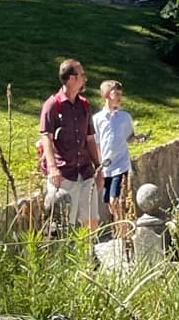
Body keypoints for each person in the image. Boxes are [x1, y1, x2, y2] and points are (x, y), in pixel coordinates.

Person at [39, 58, 103, 232]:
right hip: (64, 175)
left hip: (85, 172)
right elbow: (46, 138)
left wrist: (98, 169)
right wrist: (53, 168)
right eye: (82, 74)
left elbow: (89, 139)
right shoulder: (52, 105)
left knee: (91, 222)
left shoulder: (84, 105)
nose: (85, 78)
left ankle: (89, 256)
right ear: (71, 79)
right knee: (64, 225)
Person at [92, 79, 144, 229]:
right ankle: (120, 226)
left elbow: (129, 137)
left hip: (121, 164)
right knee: (109, 201)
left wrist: (137, 138)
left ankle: (123, 231)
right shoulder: (97, 119)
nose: (120, 97)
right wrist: (99, 164)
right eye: (116, 93)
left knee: (116, 199)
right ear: (106, 95)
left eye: (121, 94)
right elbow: (96, 143)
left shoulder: (125, 117)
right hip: (106, 166)